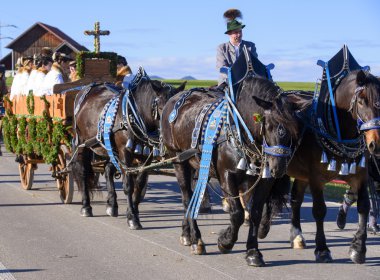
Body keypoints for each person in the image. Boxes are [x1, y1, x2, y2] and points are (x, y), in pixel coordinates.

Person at [336, 157, 380, 234]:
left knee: (376, 192)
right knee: (355, 193)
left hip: (377, 165)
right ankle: (343, 209)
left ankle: (372, 223)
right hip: (365, 162)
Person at [216, 8, 258, 85]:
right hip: (227, 83)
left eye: (240, 31)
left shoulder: (250, 46)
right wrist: (232, 77)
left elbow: (255, 64)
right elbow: (221, 67)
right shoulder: (222, 48)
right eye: (236, 32)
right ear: (229, 33)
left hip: (247, 82)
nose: (239, 35)